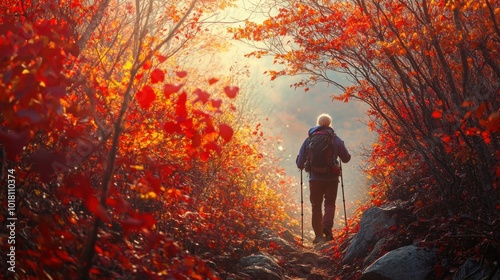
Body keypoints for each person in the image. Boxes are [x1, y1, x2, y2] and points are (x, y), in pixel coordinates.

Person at [296, 113, 351, 243]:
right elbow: (346, 158)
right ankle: (327, 227)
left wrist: (302, 163)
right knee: (330, 204)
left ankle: (318, 236)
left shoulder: (309, 140)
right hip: (331, 178)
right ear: (330, 124)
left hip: (314, 179)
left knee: (316, 206)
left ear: (318, 124)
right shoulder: (336, 139)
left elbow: (300, 163)